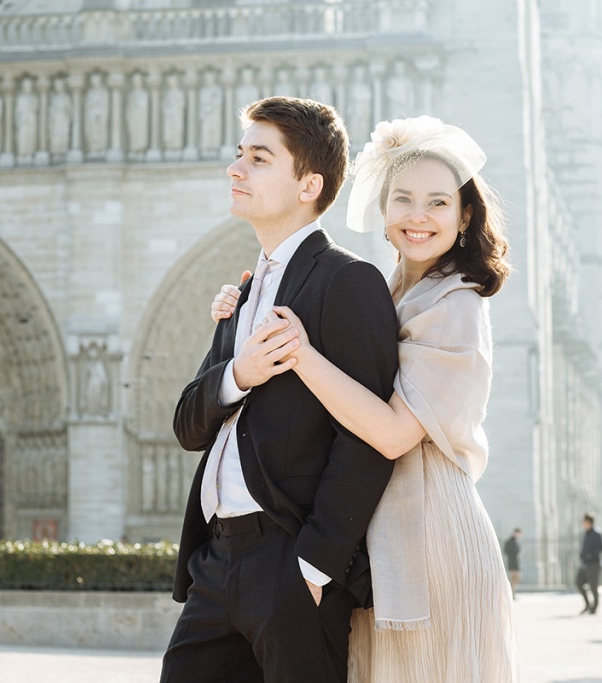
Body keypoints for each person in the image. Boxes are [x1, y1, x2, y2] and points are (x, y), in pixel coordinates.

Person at [212, 115, 518, 681]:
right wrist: (245, 309)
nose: (417, 216)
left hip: (429, 532)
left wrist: (300, 353)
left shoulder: (456, 303)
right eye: (402, 199)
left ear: (464, 216)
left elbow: (394, 434)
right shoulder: (393, 291)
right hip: (378, 540)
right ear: (382, 210)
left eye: (437, 202)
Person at [162, 97, 400, 683]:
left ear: (308, 185)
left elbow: (366, 438)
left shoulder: (349, 280)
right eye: (239, 154)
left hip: (290, 564)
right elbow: (188, 425)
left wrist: (316, 566)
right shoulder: (242, 295)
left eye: (259, 158)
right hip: (216, 562)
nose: (235, 168)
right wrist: (239, 373)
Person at [577, 512, 602, 615]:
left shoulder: (596, 534)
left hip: (594, 564)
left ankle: (594, 607)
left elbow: (600, 548)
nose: (583, 523)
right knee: (579, 582)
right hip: (584, 563)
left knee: (593, 586)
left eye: (584, 521)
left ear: (589, 522)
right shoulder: (586, 533)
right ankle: (588, 604)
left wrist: (590, 555)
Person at [504, 528, 522, 600]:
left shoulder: (515, 541)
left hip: (515, 563)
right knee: (514, 578)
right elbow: (507, 551)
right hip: (512, 563)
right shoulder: (511, 541)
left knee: (515, 579)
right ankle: (511, 594)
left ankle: (512, 593)